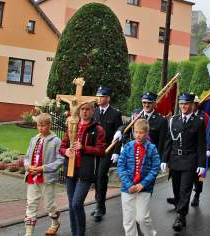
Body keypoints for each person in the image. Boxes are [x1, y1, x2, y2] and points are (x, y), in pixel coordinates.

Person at [60, 102, 106, 236]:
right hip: (70, 170)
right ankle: (75, 233)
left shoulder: (98, 129)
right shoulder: (71, 125)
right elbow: (62, 146)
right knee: (71, 205)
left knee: (76, 204)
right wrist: (66, 151)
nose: (84, 112)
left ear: (93, 111)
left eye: (87, 109)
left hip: (86, 172)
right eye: (82, 109)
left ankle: (80, 233)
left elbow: (101, 151)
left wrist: (84, 147)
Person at [161, 93, 206, 232]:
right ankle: (181, 211)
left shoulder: (198, 121)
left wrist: (201, 164)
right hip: (175, 159)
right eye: (181, 104)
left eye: (186, 104)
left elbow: (201, 145)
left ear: (192, 105)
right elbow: (169, 141)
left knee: (185, 189)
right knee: (176, 189)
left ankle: (180, 216)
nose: (183, 106)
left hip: (190, 160)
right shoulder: (173, 120)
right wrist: (164, 159)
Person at [23, 113, 64, 236]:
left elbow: (60, 160)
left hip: (47, 178)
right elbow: (27, 157)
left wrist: (43, 168)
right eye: (38, 125)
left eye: (43, 125)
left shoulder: (56, 141)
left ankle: (55, 223)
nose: (40, 128)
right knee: (31, 204)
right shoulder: (34, 139)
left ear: (50, 125)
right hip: (32, 177)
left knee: (49, 205)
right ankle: (29, 233)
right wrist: (27, 166)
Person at [118, 119, 160, 236]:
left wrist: (143, 184)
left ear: (146, 133)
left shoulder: (152, 148)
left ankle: (150, 234)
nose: (138, 135)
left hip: (144, 188)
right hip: (127, 188)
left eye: (141, 132)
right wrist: (128, 184)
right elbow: (121, 166)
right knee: (128, 220)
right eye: (136, 132)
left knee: (142, 218)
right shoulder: (128, 147)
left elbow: (155, 168)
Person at [91, 86, 123, 221]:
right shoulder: (94, 112)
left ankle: (99, 205)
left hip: (107, 151)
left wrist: (116, 151)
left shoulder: (115, 114)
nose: (99, 99)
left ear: (108, 98)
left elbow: (120, 133)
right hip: (94, 151)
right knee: (95, 177)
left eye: (102, 96)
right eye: (98, 96)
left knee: (101, 176)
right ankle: (99, 203)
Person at [190, 95, 209, 207]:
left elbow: (209, 132)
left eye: (193, 103)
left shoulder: (204, 117)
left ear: (197, 105)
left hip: (201, 150)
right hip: (188, 150)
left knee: (199, 175)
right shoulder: (185, 115)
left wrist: (208, 148)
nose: (191, 106)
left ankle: (197, 193)